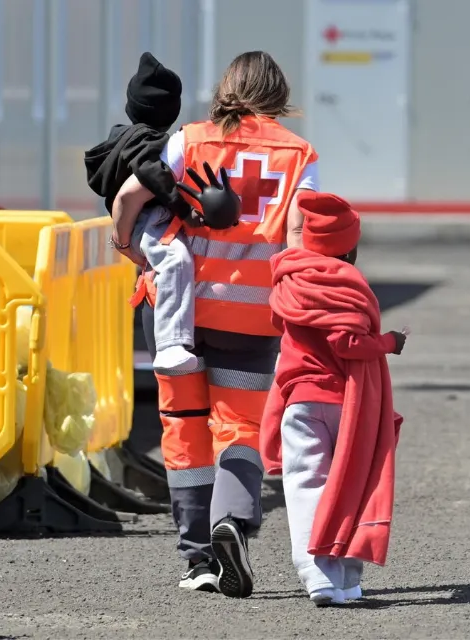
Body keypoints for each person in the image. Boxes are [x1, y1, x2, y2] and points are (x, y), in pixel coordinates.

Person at [111, 51, 319, 598]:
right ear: (278, 94)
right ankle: (233, 520)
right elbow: (301, 231)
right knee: (240, 431)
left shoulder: (191, 139)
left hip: (180, 312)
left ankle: (198, 559)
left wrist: (128, 248)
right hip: (253, 318)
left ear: (226, 88)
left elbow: (130, 196)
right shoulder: (299, 155)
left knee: (183, 428)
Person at [260, 192, 406, 607]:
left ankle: (316, 575)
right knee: (353, 483)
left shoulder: (288, 276)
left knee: (307, 483)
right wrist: (390, 342)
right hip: (347, 403)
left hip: (300, 401)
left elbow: (294, 239)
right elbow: (348, 342)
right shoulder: (348, 284)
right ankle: (348, 580)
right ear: (350, 247)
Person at [85, 52, 236, 374]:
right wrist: (182, 210)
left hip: (141, 221)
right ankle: (171, 344)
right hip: (146, 219)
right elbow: (150, 180)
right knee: (175, 259)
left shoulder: (123, 138)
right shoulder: (150, 145)